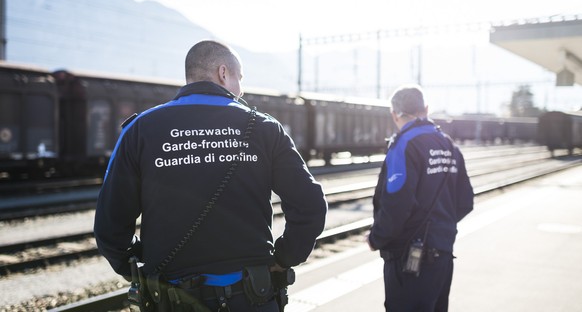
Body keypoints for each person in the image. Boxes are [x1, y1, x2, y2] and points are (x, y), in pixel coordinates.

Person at [94, 40, 328, 311]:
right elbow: (310, 205)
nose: (242, 89)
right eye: (240, 78)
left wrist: (131, 265)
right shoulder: (264, 128)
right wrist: (285, 257)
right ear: (223, 73)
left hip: (172, 300)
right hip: (252, 296)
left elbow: (109, 225)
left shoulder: (139, 130)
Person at [367, 84, 474, 311]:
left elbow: (397, 204)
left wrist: (377, 238)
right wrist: (440, 227)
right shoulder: (449, 146)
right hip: (443, 255)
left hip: (409, 260)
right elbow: (465, 202)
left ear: (394, 114)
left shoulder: (403, 145)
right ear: (426, 108)